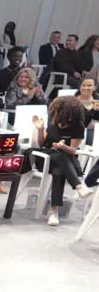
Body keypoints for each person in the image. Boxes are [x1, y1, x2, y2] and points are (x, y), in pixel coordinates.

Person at [33, 97, 95, 226]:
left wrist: (63, 147)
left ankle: (54, 211)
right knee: (58, 155)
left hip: (64, 161)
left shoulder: (78, 126)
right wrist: (40, 129)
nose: (57, 115)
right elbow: (42, 144)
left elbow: (73, 150)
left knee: (59, 172)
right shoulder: (53, 122)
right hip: (46, 159)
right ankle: (79, 186)